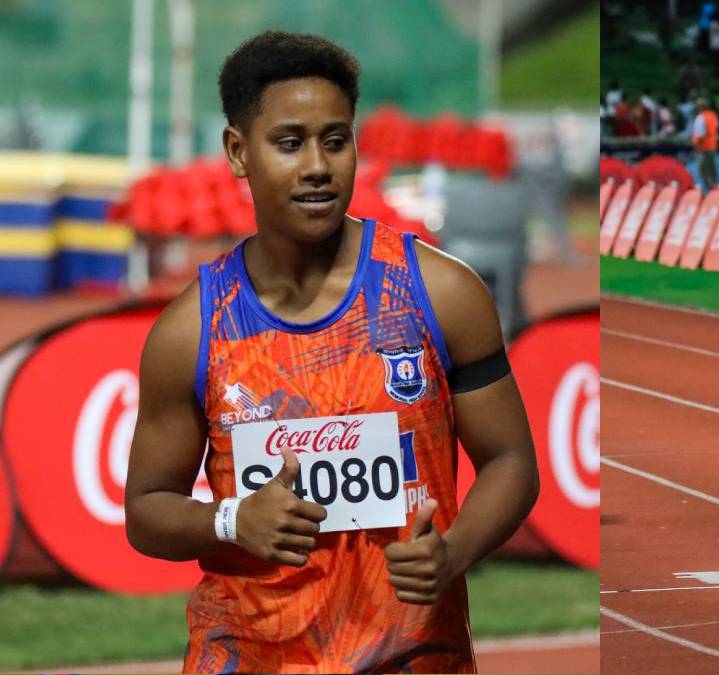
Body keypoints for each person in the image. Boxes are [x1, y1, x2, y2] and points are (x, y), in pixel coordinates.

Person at [123, 32, 539, 673]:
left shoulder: (441, 293)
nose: (318, 165)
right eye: (289, 143)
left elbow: (511, 461)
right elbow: (147, 510)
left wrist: (454, 553)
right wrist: (232, 521)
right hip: (249, 657)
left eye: (336, 140)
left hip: (413, 656)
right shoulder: (191, 332)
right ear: (238, 151)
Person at [691, 96, 719, 191]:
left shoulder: (700, 117)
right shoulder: (713, 115)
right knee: (712, 170)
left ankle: (706, 190)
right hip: (713, 146)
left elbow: (699, 134)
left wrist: (695, 145)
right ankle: (715, 188)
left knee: (703, 170)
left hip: (703, 148)